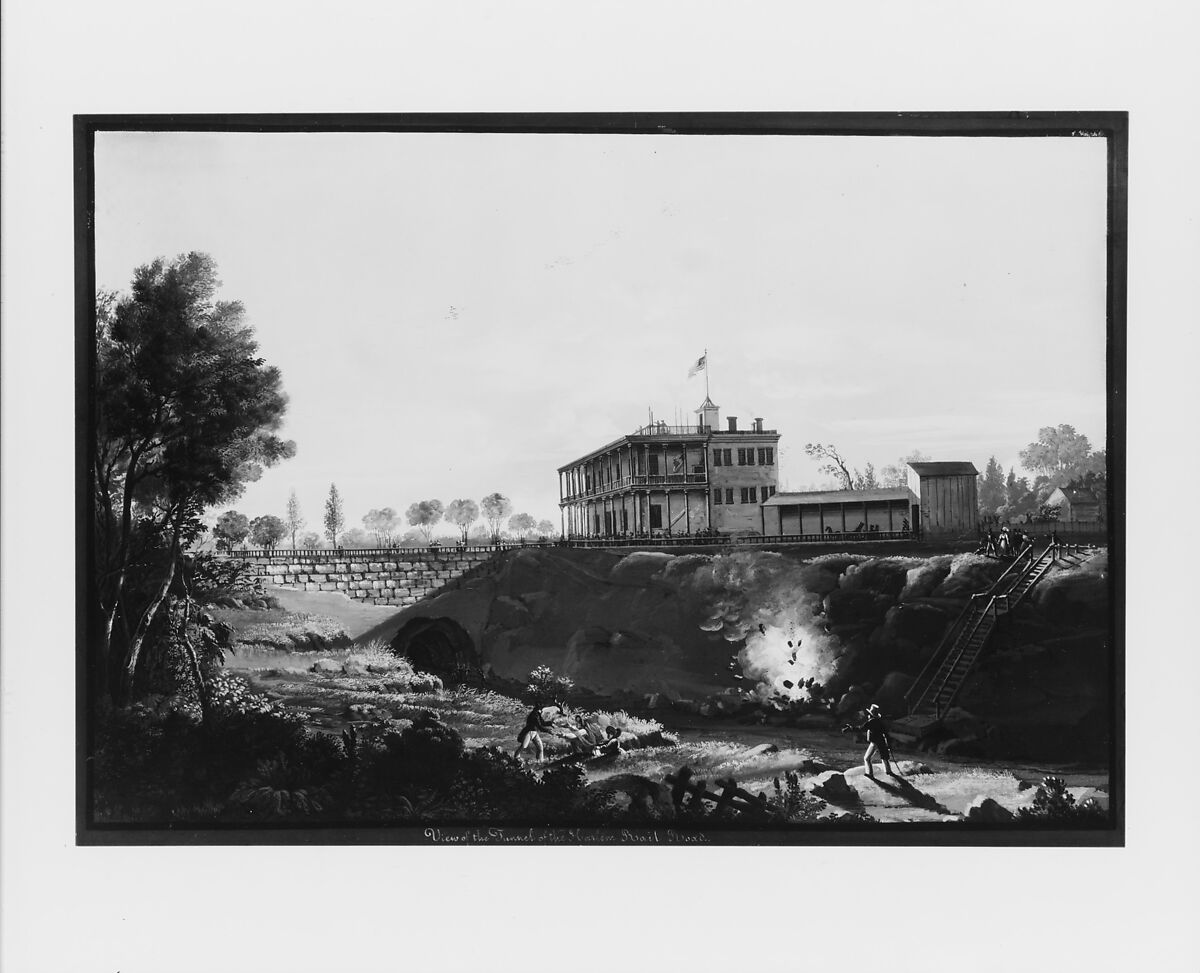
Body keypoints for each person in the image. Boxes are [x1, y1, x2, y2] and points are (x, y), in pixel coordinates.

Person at [843, 703, 897, 779]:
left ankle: (870, 774)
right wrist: (888, 743)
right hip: (881, 741)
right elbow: (885, 733)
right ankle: (888, 772)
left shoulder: (871, 721)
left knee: (867, 758)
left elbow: (860, 728)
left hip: (875, 742)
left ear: (871, 714)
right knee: (884, 758)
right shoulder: (879, 721)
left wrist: (850, 728)